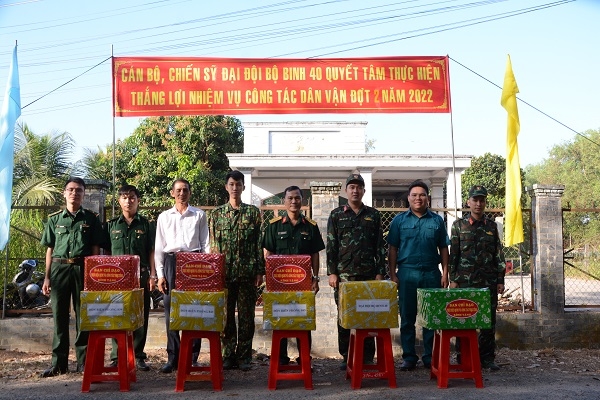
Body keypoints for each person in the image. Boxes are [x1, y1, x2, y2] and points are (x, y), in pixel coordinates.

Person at [40, 177, 103, 377]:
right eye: (71, 190)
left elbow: (95, 249)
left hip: (82, 268)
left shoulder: (91, 219)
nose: (75, 193)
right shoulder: (55, 219)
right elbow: (49, 250)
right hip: (59, 270)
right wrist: (47, 278)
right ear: (64, 193)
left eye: (79, 190)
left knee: (83, 316)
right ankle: (58, 364)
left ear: (84, 194)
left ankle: (84, 362)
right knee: (59, 317)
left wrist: (93, 275)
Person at [386, 180, 450, 371]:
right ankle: (409, 357)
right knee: (407, 317)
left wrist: (445, 273)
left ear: (428, 198)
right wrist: (393, 274)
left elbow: (444, 248)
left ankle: (430, 357)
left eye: (422, 195)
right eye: (414, 195)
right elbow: (392, 249)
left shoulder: (437, 220)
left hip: (431, 272)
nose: (418, 198)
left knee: (431, 317)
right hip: (407, 273)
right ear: (408, 198)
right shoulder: (399, 221)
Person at [327, 173, 386, 370]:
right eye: (351, 187)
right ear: (346, 190)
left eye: (358, 187)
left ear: (363, 191)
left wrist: (380, 272)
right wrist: (332, 272)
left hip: (368, 275)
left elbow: (380, 246)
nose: (355, 190)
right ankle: (346, 355)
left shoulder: (373, 215)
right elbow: (331, 245)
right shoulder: (336, 215)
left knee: (368, 316)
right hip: (344, 276)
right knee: (345, 317)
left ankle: (367, 357)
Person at [263, 185, 325, 366]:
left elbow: (315, 254)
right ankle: (281, 359)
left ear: (302, 201)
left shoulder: (310, 227)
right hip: (279, 283)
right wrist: (269, 279)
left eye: (297, 198)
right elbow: (268, 253)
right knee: (280, 319)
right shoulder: (274, 226)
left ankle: (304, 358)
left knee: (304, 321)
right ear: (284, 201)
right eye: (290, 198)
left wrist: (316, 278)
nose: (294, 201)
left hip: (303, 283)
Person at [208, 171, 264, 372]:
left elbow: (259, 244)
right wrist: (214, 274)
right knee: (226, 317)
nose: (234, 188)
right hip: (224, 274)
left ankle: (244, 356)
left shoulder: (253, 213)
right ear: (226, 187)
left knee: (247, 316)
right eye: (231, 184)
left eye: (238, 184)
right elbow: (213, 247)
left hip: (247, 273)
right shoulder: (215, 215)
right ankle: (228, 354)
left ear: (243, 187)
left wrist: (260, 270)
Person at [154, 178, 209, 373]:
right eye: (178, 190)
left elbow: (205, 244)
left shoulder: (199, 215)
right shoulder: (164, 217)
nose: (181, 193)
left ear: (190, 193)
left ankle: (192, 357)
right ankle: (173, 357)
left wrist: (205, 271)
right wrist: (160, 275)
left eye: (185, 190)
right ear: (172, 193)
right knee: (171, 310)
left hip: (194, 262)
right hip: (171, 262)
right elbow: (159, 248)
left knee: (194, 309)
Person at [449, 185, 505, 371]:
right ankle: (464, 358)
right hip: (465, 282)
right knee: (463, 319)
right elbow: (453, 255)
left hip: (487, 282)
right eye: (475, 200)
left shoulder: (492, 227)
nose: (478, 204)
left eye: (482, 200)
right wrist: (453, 279)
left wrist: (500, 279)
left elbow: (498, 254)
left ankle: (487, 359)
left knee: (488, 322)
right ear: (468, 202)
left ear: (485, 202)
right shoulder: (458, 226)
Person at [103, 184, 156, 371]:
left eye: (132, 197)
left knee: (140, 315)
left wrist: (153, 274)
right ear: (119, 201)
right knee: (116, 314)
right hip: (117, 277)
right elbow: (107, 252)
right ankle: (117, 356)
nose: (128, 201)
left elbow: (151, 251)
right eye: (124, 197)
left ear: (138, 200)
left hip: (140, 275)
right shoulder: (111, 225)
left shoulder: (146, 224)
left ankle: (138, 355)